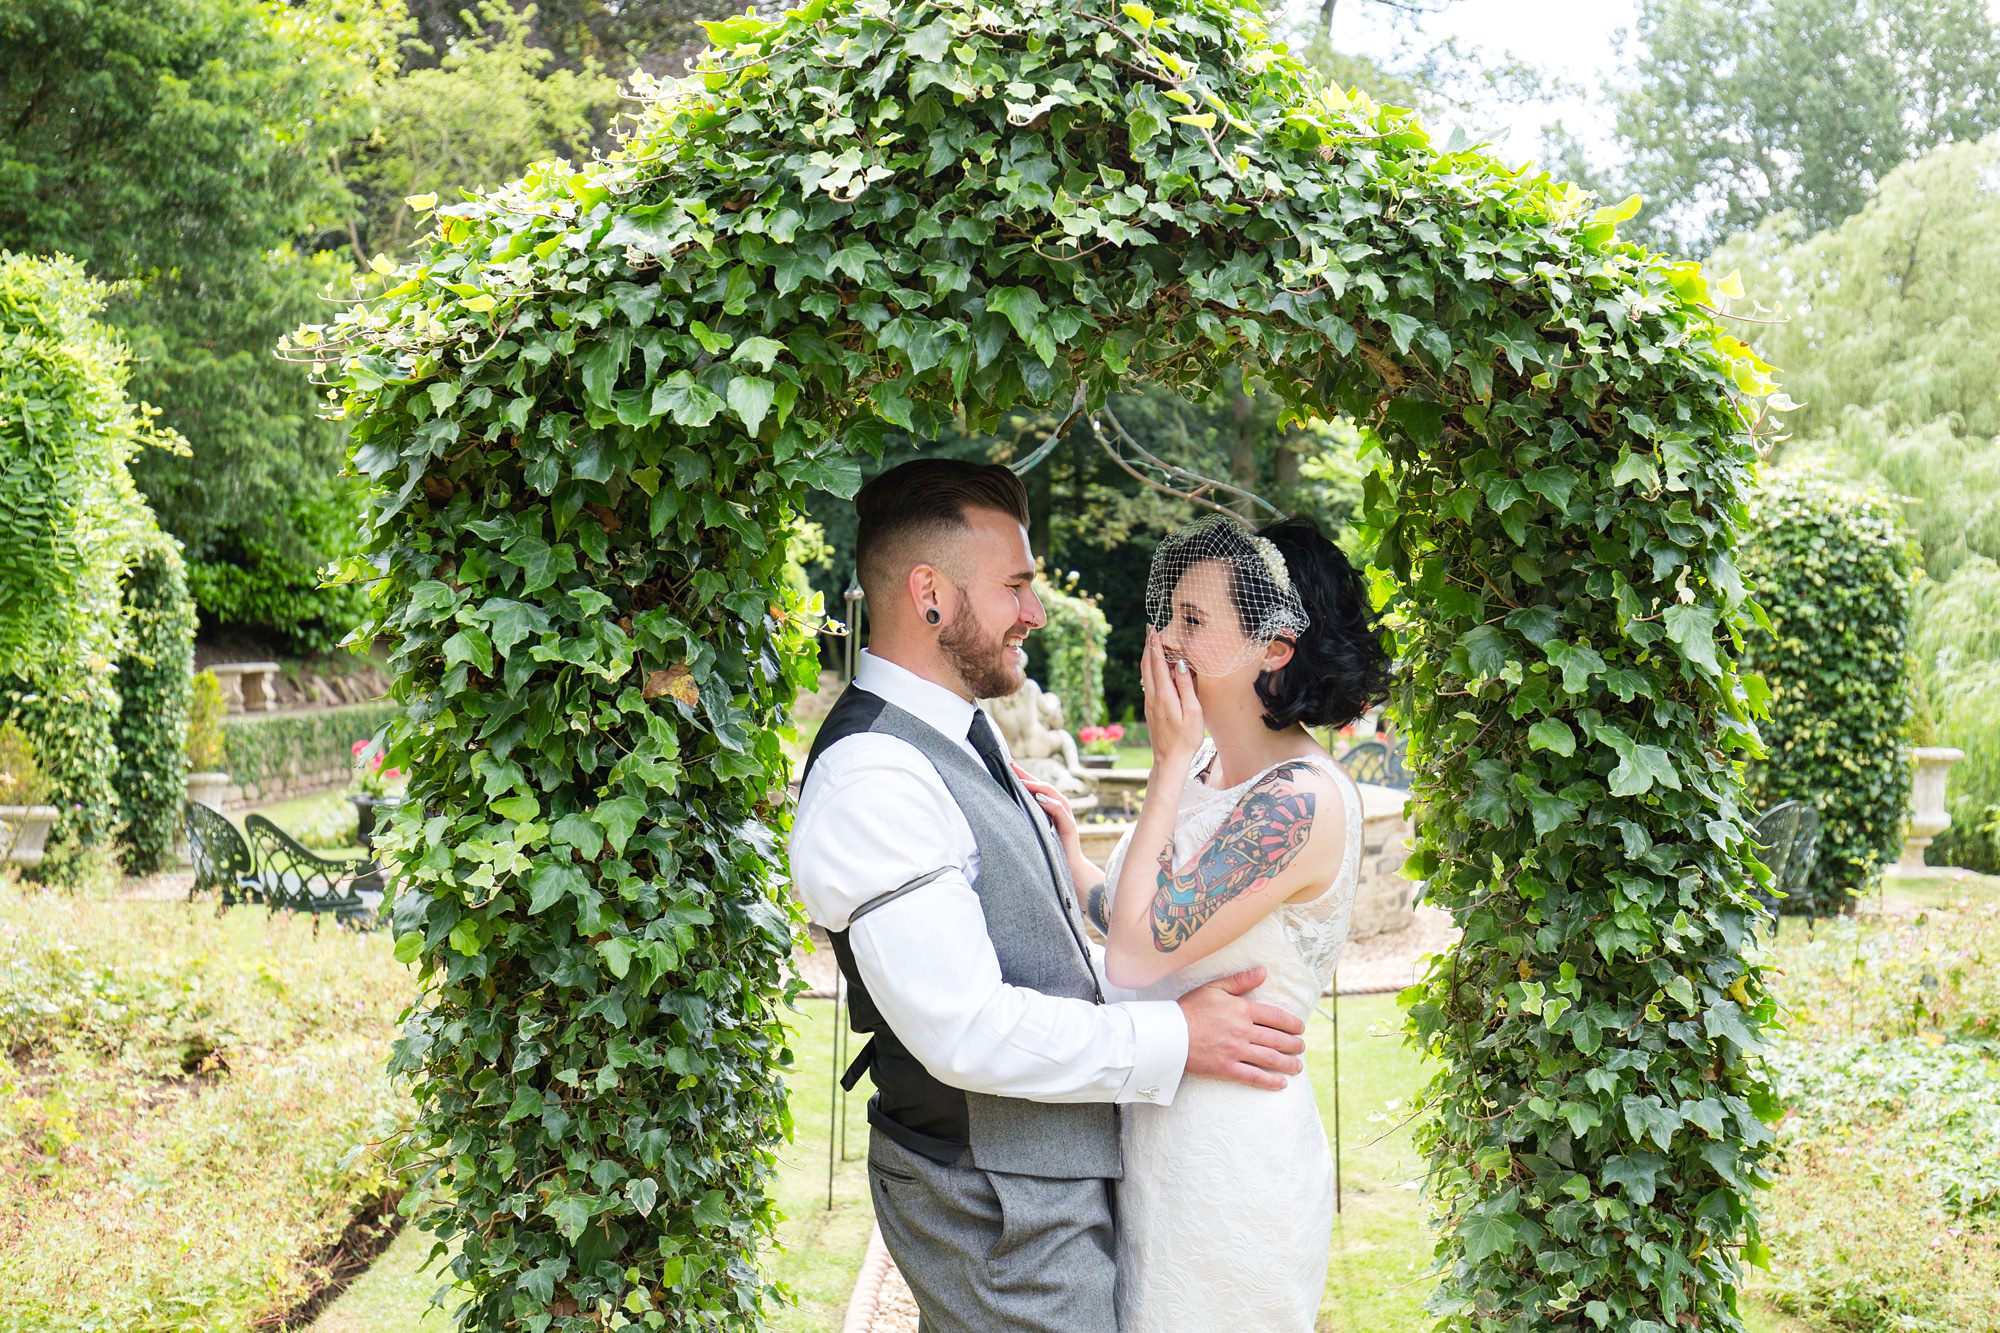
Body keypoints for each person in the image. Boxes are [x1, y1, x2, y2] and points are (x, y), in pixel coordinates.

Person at [787, 460, 1313, 1332]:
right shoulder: (874, 775)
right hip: (1000, 1210)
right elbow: (968, 1029)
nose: (1034, 611)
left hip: (1035, 1186)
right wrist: (1176, 1035)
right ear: (930, 595)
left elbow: (1034, 948)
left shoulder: (959, 727)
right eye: (1016, 585)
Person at [1018, 511, 1393, 1331]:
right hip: (1151, 1134)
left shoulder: (1297, 801)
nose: (1166, 639)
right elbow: (1140, 915)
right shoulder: (1205, 765)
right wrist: (1071, 853)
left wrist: (1161, 765)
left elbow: (1136, 953)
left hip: (1228, 1163)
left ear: (1276, 645)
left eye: (1193, 619)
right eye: (1171, 614)